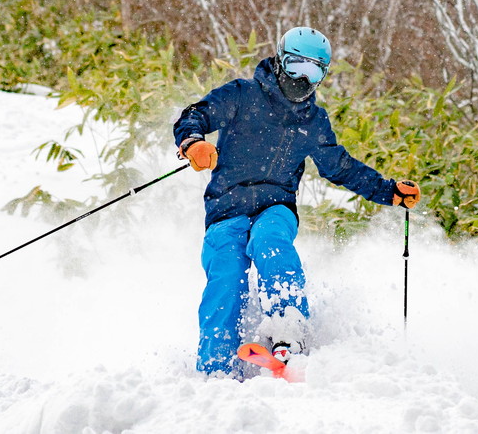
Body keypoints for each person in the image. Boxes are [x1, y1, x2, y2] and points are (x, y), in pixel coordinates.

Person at [172, 26, 420, 378]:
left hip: (276, 206)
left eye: (314, 70)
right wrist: (193, 141)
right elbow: (194, 115)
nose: (303, 78)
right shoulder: (241, 95)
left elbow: (341, 167)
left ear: (323, 76)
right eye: (296, 65)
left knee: (270, 241)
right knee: (226, 278)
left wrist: (388, 190)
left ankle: (289, 335)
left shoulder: (313, 122)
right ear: (279, 60)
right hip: (226, 209)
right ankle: (216, 366)